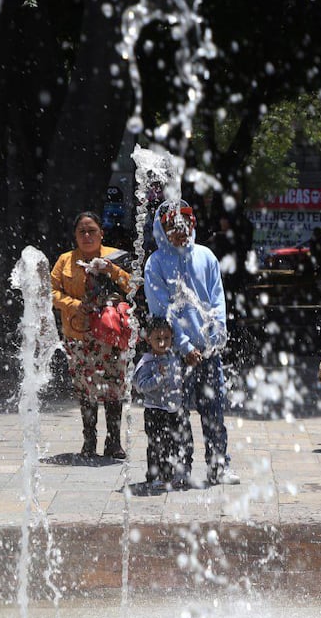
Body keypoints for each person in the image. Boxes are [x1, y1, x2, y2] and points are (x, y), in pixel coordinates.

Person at [144, 199, 240, 486]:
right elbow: (162, 310)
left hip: (209, 352)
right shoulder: (156, 263)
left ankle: (218, 467)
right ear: (162, 231)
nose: (180, 231)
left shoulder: (206, 256)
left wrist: (217, 332)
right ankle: (180, 467)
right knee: (178, 414)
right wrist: (184, 346)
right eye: (172, 227)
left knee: (214, 412)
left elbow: (217, 298)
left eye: (185, 224)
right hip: (175, 355)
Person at [51, 211, 135, 459]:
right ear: (75, 236)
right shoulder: (65, 261)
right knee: (85, 389)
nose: (87, 236)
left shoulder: (115, 257)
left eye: (92, 231)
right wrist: (74, 304)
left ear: (101, 233)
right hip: (79, 334)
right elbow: (51, 291)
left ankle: (114, 442)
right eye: (82, 232)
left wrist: (113, 271)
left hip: (111, 334)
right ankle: (89, 441)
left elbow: (133, 286)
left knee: (114, 387)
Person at [132, 317, 193, 489]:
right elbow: (141, 386)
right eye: (157, 339)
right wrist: (158, 377)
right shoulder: (147, 362)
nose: (162, 343)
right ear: (148, 339)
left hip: (174, 409)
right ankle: (155, 476)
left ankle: (175, 474)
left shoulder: (174, 357)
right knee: (157, 445)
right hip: (155, 411)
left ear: (172, 337)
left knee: (177, 443)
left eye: (166, 338)